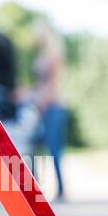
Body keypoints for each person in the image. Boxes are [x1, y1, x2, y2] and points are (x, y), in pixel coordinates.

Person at [33, 21, 68, 200]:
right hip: (44, 107)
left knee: (54, 149)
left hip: (54, 107)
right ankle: (37, 186)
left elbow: (53, 85)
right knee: (38, 147)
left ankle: (61, 189)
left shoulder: (54, 55)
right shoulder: (42, 54)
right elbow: (41, 84)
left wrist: (40, 99)